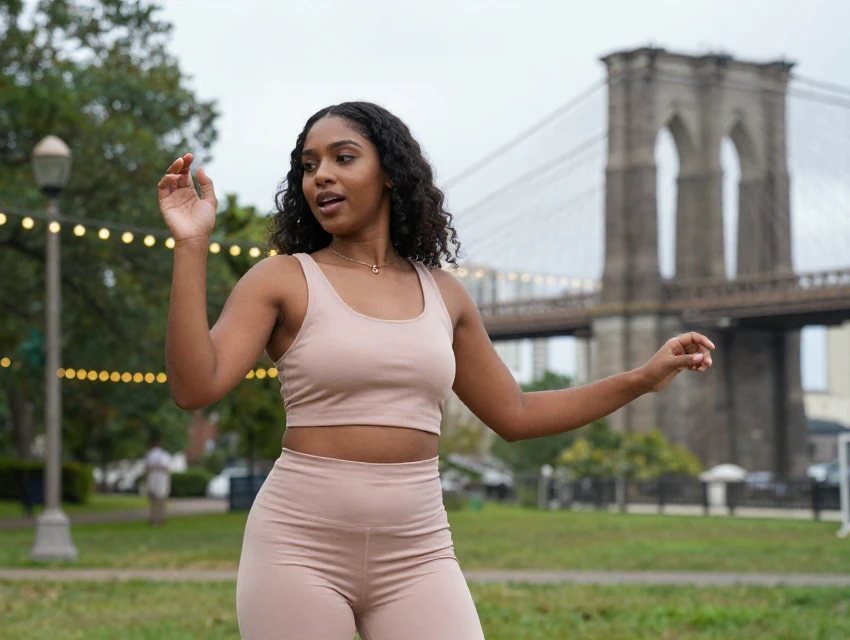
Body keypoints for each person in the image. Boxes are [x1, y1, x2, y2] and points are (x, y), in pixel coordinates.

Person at [158, 102, 714, 640]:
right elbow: (194, 386)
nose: (321, 176)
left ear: (391, 174)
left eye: (343, 158)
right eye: (309, 166)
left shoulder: (445, 294)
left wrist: (640, 378)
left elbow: (515, 415)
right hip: (298, 545)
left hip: (417, 550)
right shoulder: (281, 280)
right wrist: (191, 244)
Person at [143, 433, 172, 526]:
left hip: (154, 477)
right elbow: (167, 468)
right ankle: (159, 519)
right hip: (161, 478)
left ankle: (154, 520)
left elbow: (147, 467)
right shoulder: (165, 454)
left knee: (154, 500)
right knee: (160, 500)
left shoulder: (150, 454)